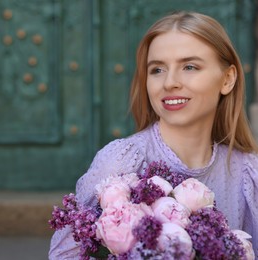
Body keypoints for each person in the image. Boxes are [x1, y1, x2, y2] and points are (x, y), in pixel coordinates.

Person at [49, 11, 258, 259]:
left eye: (189, 66)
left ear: (227, 79)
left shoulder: (247, 171)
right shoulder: (122, 161)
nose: (169, 82)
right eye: (157, 69)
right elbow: (65, 254)